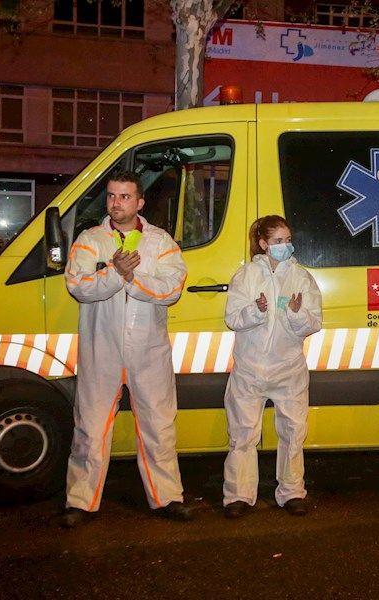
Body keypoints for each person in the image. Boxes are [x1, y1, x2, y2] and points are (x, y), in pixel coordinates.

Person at [60, 170, 191, 528]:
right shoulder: (90, 240)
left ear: (140, 202)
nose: (116, 203)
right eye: (112, 196)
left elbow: (172, 288)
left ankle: (167, 498)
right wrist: (114, 273)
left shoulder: (160, 242)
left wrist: (132, 278)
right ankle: (80, 501)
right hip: (101, 349)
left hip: (148, 351)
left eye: (125, 196)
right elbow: (78, 286)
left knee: (158, 426)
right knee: (90, 427)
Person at [222, 215, 322, 518]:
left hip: (288, 368)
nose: (285, 246)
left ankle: (292, 492)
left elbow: (314, 322)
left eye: (288, 240)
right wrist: (256, 310)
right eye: (278, 241)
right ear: (263, 243)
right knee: (242, 434)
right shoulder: (246, 276)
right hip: (250, 368)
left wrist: (295, 313)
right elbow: (233, 318)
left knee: (293, 432)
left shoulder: (301, 277)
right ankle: (238, 495)